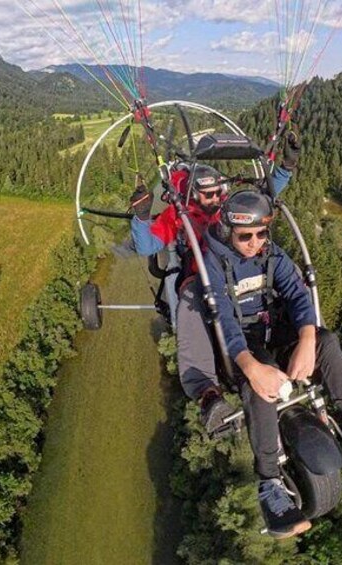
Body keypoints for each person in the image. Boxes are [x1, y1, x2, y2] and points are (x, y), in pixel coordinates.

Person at [201, 189, 342, 539]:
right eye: (245, 235)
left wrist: (306, 341)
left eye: (261, 233)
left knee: (327, 341)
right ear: (229, 231)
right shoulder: (214, 264)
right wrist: (250, 366)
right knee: (261, 387)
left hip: (279, 335)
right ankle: (270, 483)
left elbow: (297, 294)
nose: (254, 242)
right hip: (243, 348)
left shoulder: (272, 254)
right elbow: (224, 321)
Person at [128, 135, 301, 434]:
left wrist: (286, 165)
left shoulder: (229, 207)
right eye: (207, 195)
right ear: (194, 195)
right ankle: (208, 395)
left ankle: (305, 343)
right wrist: (142, 216)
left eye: (218, 192)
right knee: (191, 303)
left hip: (237, 269)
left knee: (289, 275)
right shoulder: (178, 216)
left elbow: (265, 198)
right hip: (201, 277)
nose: (215, 199)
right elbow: (146, 247)